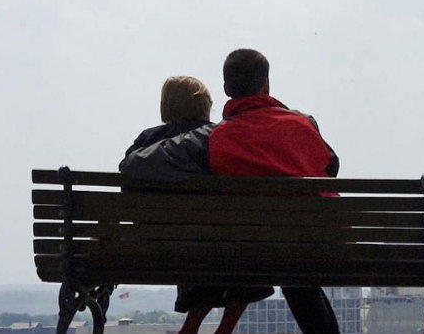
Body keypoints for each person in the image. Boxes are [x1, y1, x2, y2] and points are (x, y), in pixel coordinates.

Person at [120, 51, 341, 334]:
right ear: (267, 85)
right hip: (319, 245)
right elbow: (331, 165)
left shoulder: (213, 138)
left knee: (277, 251)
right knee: (294, 261)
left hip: (251, 253)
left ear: (226, 90)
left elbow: (134, 165)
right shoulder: (306, 124)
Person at [122, 76, 273, 334]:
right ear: (205, 106)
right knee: (239, 250)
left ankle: (191, 327)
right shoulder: (217, 137)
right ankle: (224, 328)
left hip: (157, 246)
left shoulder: (146, 142)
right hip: (217, 245)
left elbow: (127, 186)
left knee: (197, 242)